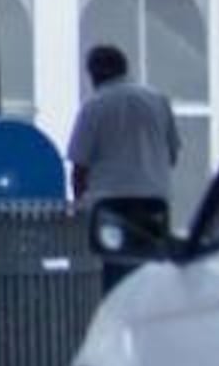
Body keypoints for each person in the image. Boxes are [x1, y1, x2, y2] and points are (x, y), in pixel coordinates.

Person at [67, 43, 183, 288]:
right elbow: (172, 155)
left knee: (113, 281)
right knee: (147, 278)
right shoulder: (157, 100)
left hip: (110, 207)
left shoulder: (94, 107)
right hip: (154, 204)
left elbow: (79, 169)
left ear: (93, 73)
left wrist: (79, 206)